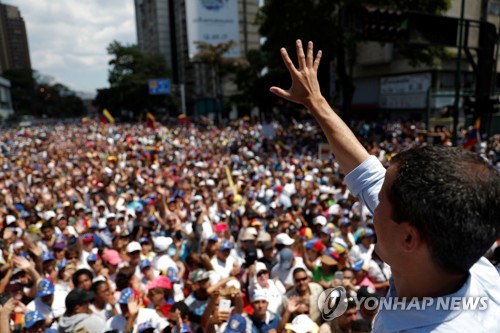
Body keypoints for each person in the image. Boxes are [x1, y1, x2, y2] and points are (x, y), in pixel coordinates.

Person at [270, 39, 500, 332]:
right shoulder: (473, 267)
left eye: (382, 198)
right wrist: (314, 102)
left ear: (408, 239)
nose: (371, 205)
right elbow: (366, 172)